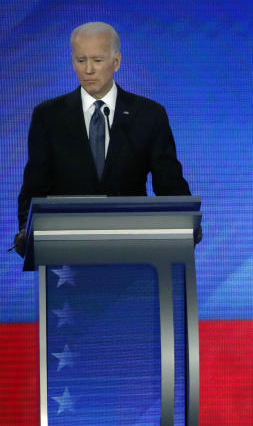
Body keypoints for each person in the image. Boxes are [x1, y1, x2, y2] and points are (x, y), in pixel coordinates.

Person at [13, 21, 194, 256]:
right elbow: (34, 188)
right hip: (66, 256)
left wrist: (186, 220)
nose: (88, 70)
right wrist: (25, 231)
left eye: (97, 61)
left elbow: (170, 184)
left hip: (135, 253)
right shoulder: (48, 116)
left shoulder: (148, 115)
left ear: (116, 62)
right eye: (81, 60)